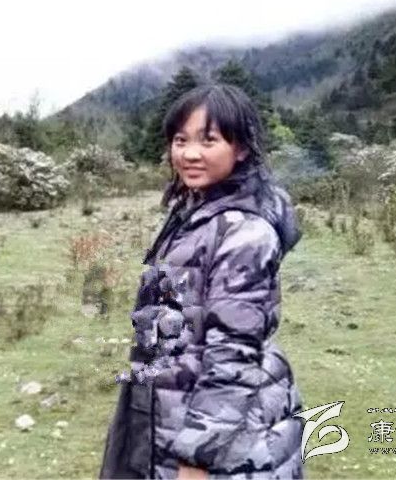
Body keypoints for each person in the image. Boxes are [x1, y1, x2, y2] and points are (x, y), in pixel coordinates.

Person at [99, 84, 306, 479]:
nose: (190, 154)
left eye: (208, 140)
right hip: (173, 409)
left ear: (240, 148)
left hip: (224, 437)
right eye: (181, 140)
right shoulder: (195, 213)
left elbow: (233, 355)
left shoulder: (244, 233)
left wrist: (197, 458)